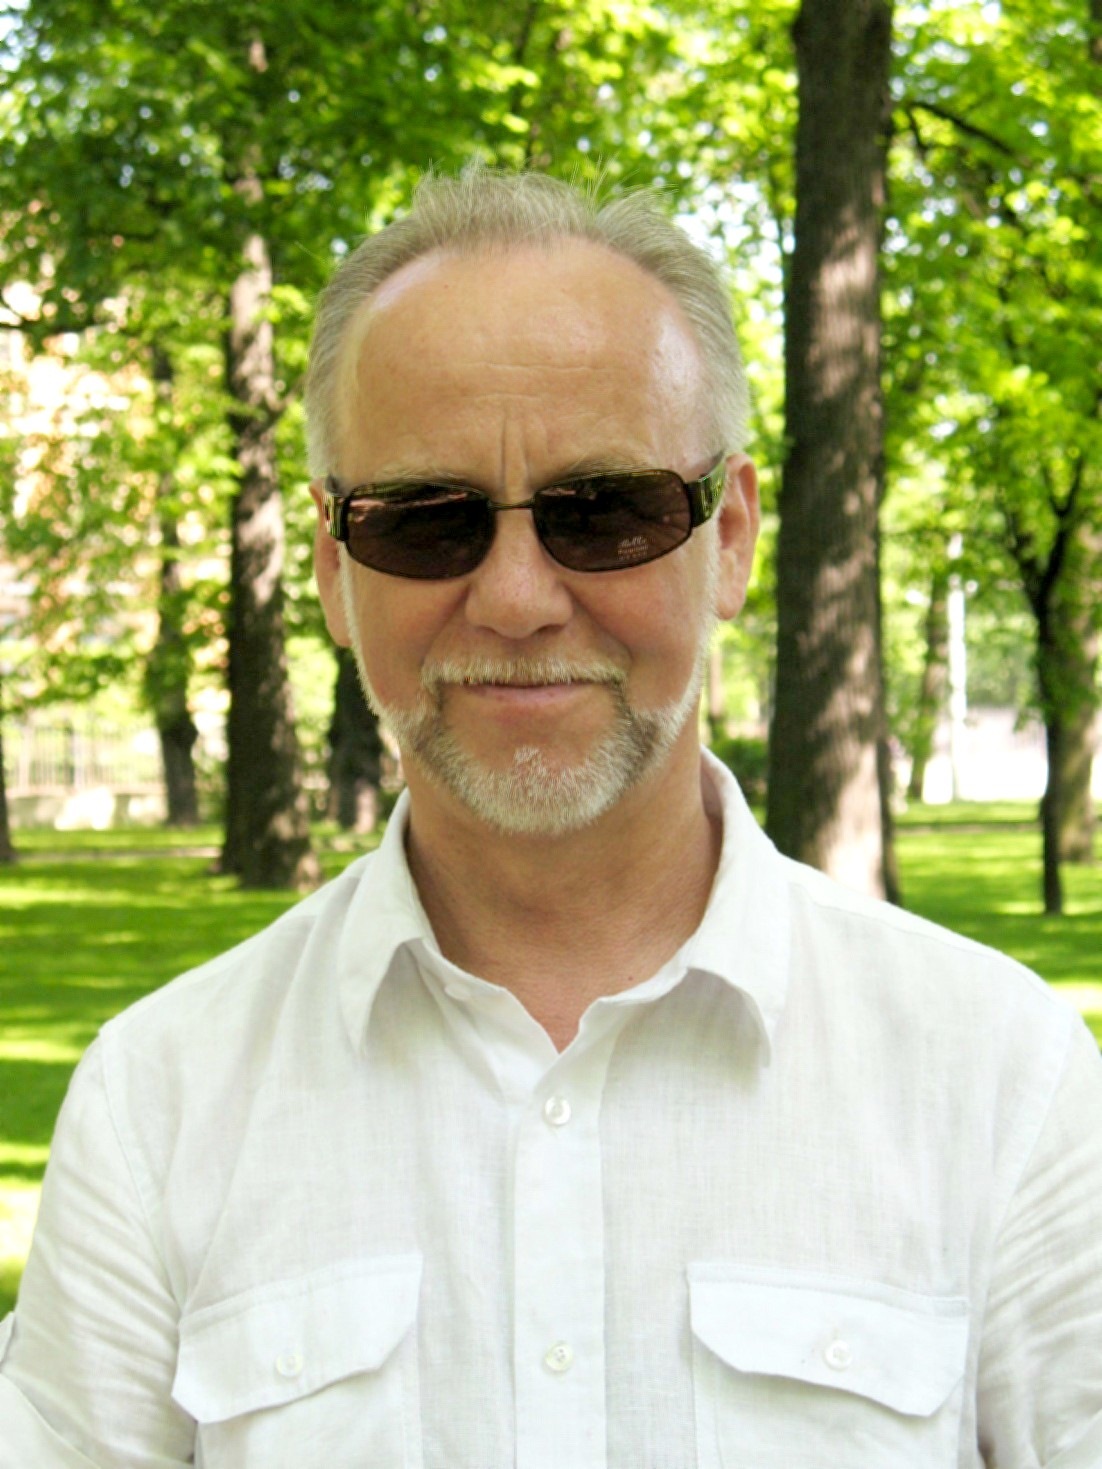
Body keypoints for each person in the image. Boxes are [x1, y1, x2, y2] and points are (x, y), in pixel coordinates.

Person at [2, 167, 1100, 1469]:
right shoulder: (159, 1106)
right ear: (336, 571)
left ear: (730, 538)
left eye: (606, 512)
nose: (517, 598)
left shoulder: (1001, 1082)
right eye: (427, 522)